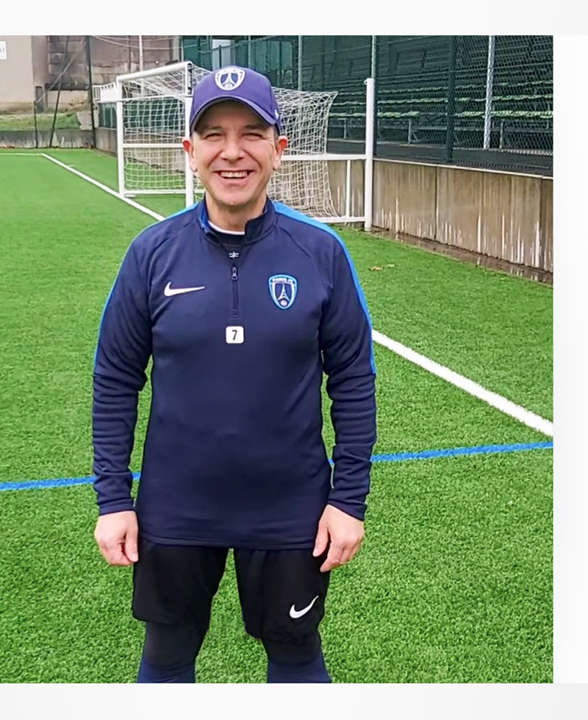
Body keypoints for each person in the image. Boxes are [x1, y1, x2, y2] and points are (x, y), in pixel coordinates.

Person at [91, 65, 377, 683]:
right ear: (190, 150)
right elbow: (115, 377)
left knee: (295, 652)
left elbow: (354, 379)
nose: (232, 151)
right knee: (167, 654)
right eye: (214, 134)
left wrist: (347, 501)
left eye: (251, 133)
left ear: (279, 149)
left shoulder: (320, 252)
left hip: (289, 507)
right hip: (176, 505)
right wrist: (114, 499)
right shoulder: (151, 253)